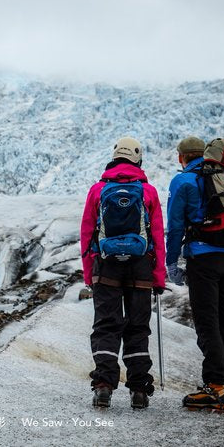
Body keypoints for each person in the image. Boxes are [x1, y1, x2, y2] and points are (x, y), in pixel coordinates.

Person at [80, 137, 166, 409]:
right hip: (140, 268)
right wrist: (159, 276)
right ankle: (139, 390)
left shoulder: (98, 189)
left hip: (106, 267)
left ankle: (104, 385)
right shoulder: (148, 191)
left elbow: (86, 234)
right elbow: (157, 237)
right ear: (138, 160)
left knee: (106, 324)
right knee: (137, 327)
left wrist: (88, 274)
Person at [165, 136, 224, 411]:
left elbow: (175, 227)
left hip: (202, 261)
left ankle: (214, 386)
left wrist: (171, 263)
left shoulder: (183, 181)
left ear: (181, 157)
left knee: (207, 323)